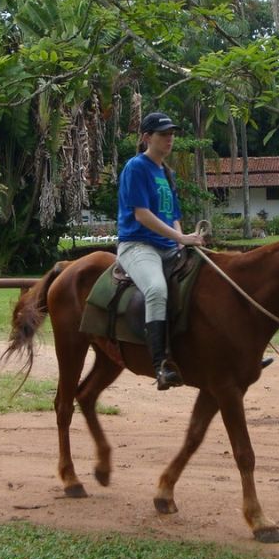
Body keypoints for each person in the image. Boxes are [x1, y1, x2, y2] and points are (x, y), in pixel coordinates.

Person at [117, 112, 204, 390]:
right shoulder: (136, 167)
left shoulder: (167, 172)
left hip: (169, 246)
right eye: (163, 134)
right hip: (138, 245)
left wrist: (182, 240)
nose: (170, 139)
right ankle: (160, 365)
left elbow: (173, 215)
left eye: (172, 134)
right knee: (156, 289)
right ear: (146, 138)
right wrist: (180, 237)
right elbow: (142, 215)